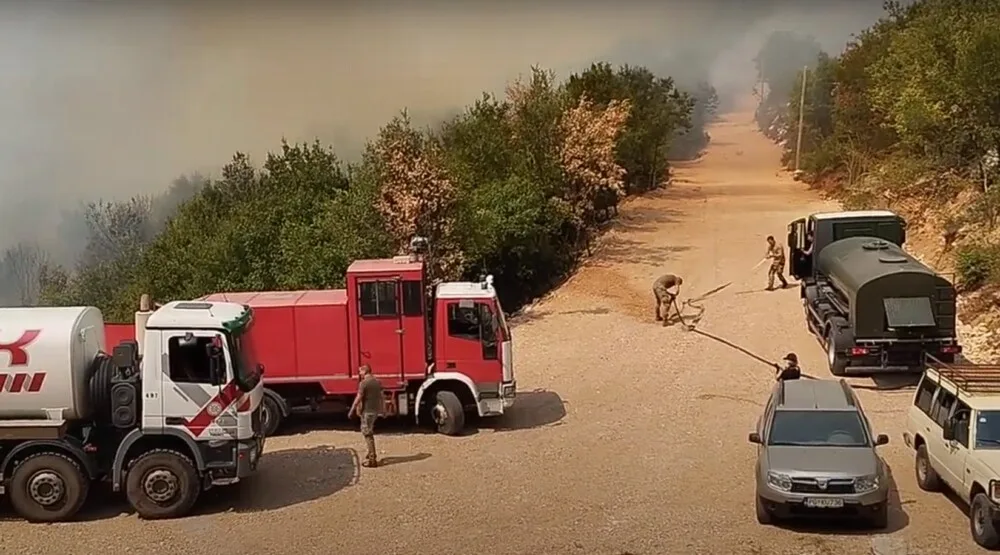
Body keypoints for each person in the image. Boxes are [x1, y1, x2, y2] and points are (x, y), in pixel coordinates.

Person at [349, 364, 385, 468]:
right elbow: (382, 397)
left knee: (368, 434)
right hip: (375, 411)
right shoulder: (378, 382)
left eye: (360, 371)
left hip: (367, 412)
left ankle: (372, 459)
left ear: (364, 371)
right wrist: (384, 410)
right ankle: (370, 453)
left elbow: (358, 398)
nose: (359, 374)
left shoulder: (363, 383)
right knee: (369, 430)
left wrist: (351, 410)